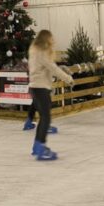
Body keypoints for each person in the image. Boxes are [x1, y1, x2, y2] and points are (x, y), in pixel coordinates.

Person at [28, 30, 74, 161]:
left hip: (34, 87)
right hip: (41, 87)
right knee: (46, 118)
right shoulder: (42, 53)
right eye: (51, 39)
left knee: (44, 117)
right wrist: (68, 79)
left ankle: (37, 146)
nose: (53, 41)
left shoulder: (34, 50)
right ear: (46, 39)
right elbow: (53, 68)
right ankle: (40, 148)